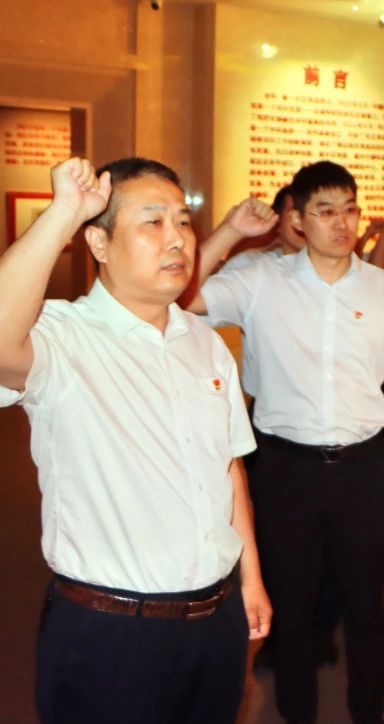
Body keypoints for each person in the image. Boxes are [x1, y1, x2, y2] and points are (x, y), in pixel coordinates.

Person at [0, 157, 270, 723]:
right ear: (99, 243)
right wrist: (64, 211)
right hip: (112, 634)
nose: (177, 239)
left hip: (216, 621)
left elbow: (227, 468)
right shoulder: (63, 336)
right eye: (152, 222)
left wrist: (250, 579)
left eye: (183, 221)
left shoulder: (204, 342)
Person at [187, 160, 384, 724]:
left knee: (366, 606)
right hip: (284, 468)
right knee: (290, 608)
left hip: (363, 467)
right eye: (325, 211)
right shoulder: (259, 280)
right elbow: (179, 294)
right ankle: (297, 713)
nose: (341, 223)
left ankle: (370, 712)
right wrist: (229, 230)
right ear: (296, 219)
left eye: (349, 209)